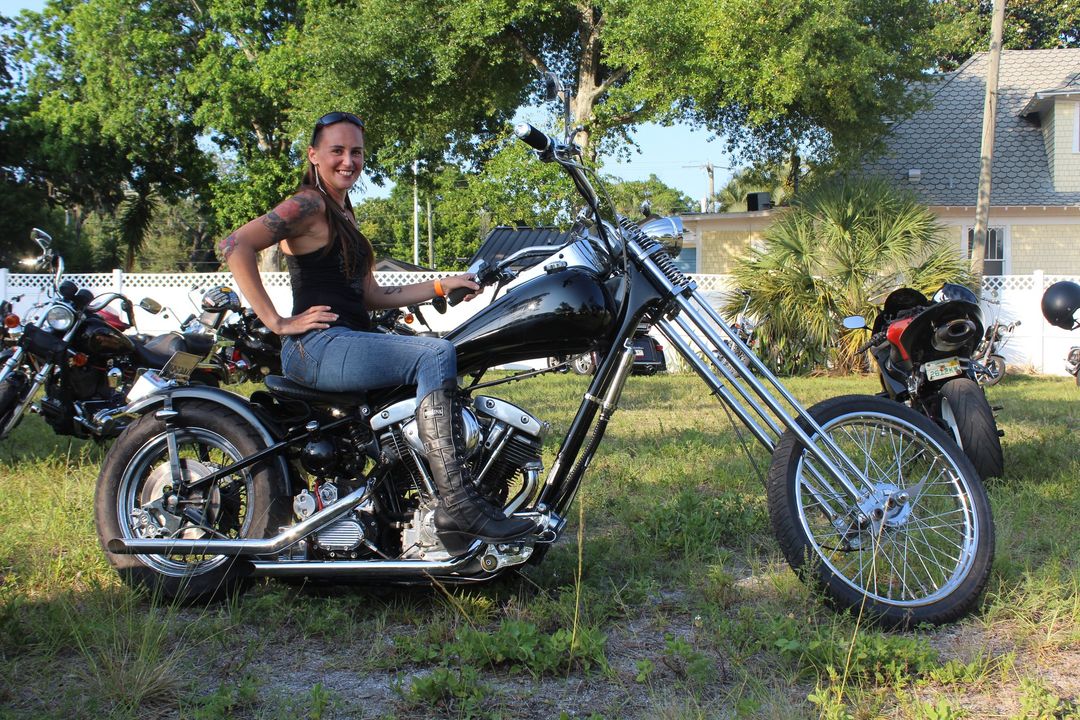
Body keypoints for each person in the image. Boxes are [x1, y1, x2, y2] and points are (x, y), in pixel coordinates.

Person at [220, 111, 534, 554]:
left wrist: (442, 285)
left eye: (356, 152)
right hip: (317, 346)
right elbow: (236, 245)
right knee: (433, 354)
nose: (348, 160)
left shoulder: (342, 212)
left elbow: (369, 293)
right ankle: (459, 502)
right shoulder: (308, 203)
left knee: (444, 354)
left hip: (345, 340)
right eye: (337, 151)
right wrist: (278, 322)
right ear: (314, 155)